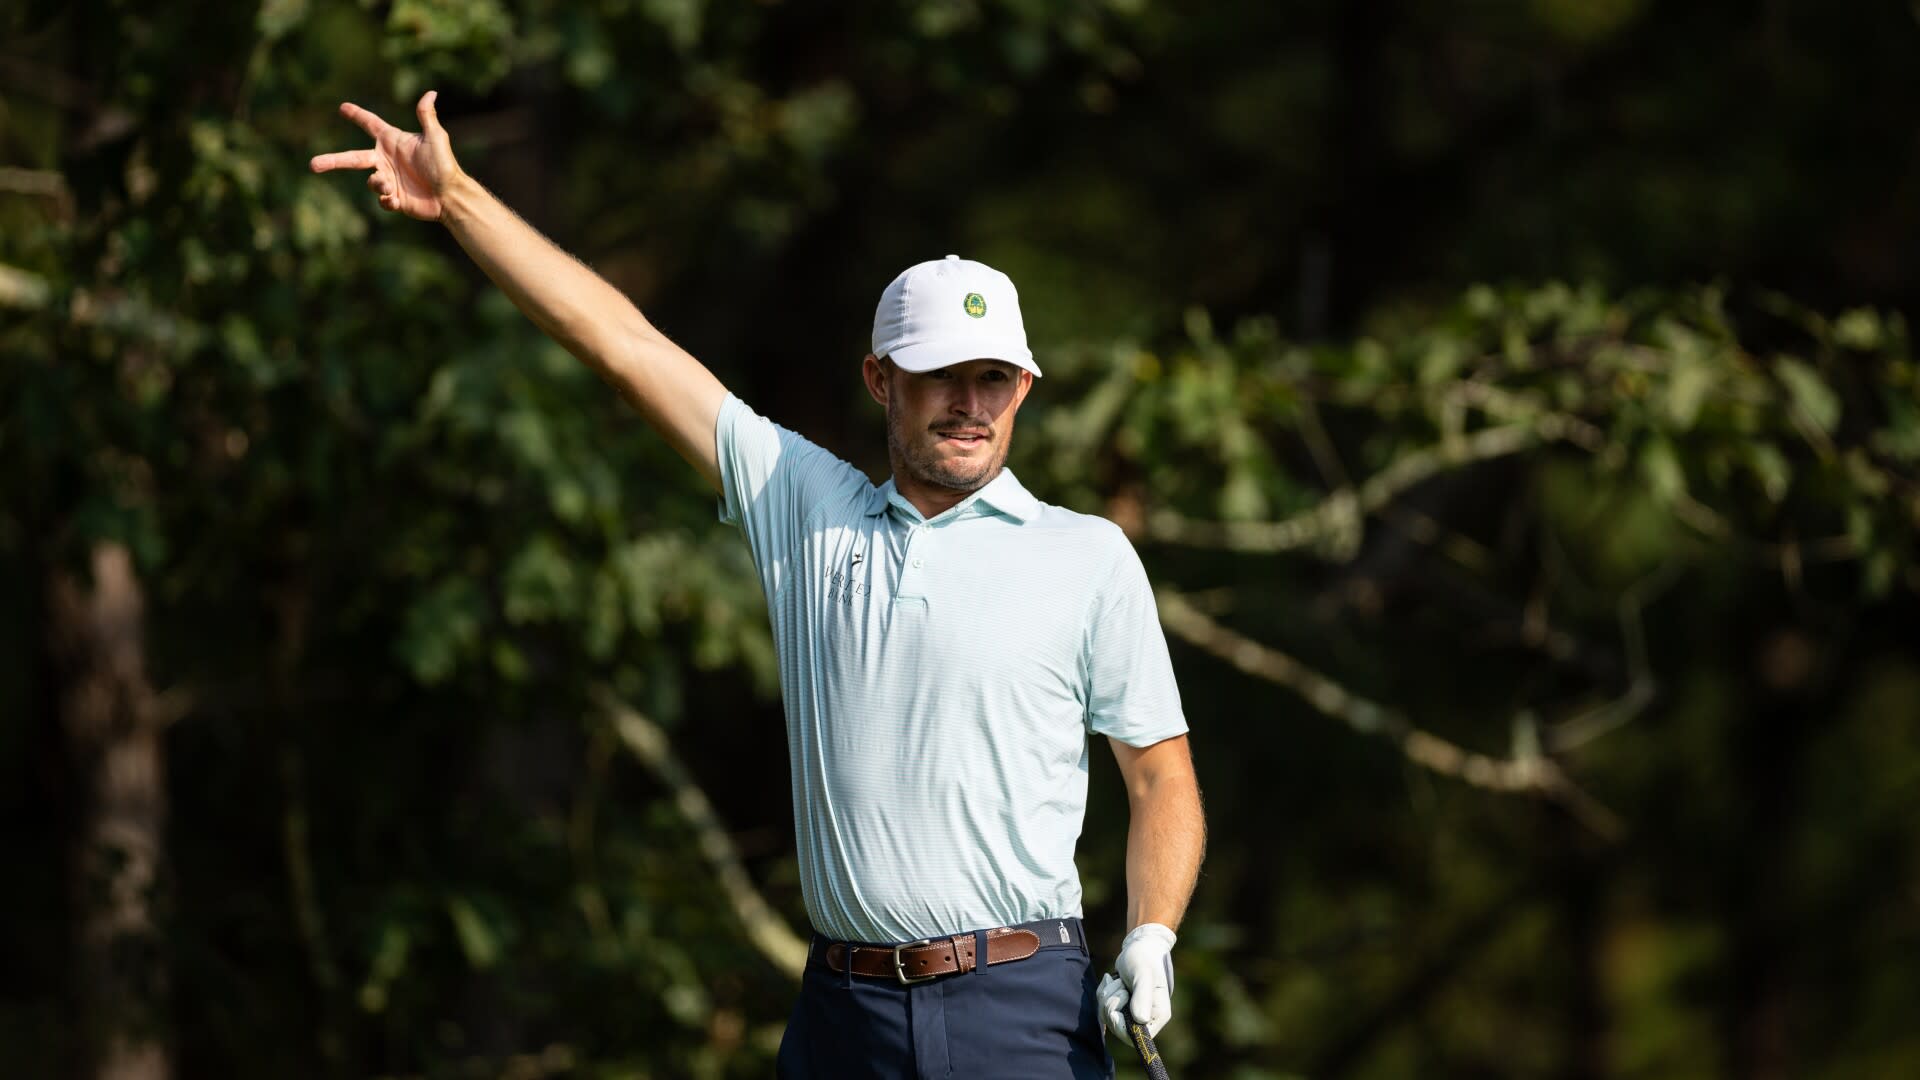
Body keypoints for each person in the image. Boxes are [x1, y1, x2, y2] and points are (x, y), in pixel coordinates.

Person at [313, 91, 1206, 1079]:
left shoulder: (1084, 556)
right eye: (942, 375)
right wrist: (463, 200)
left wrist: (1153, 932)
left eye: (993, 376)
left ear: (1024, 387)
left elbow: (1161, 776)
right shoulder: (806, 505)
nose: (970, 403)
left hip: (1018, 1010)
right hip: (843, 1017)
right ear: (881, 382)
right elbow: (624, 345)